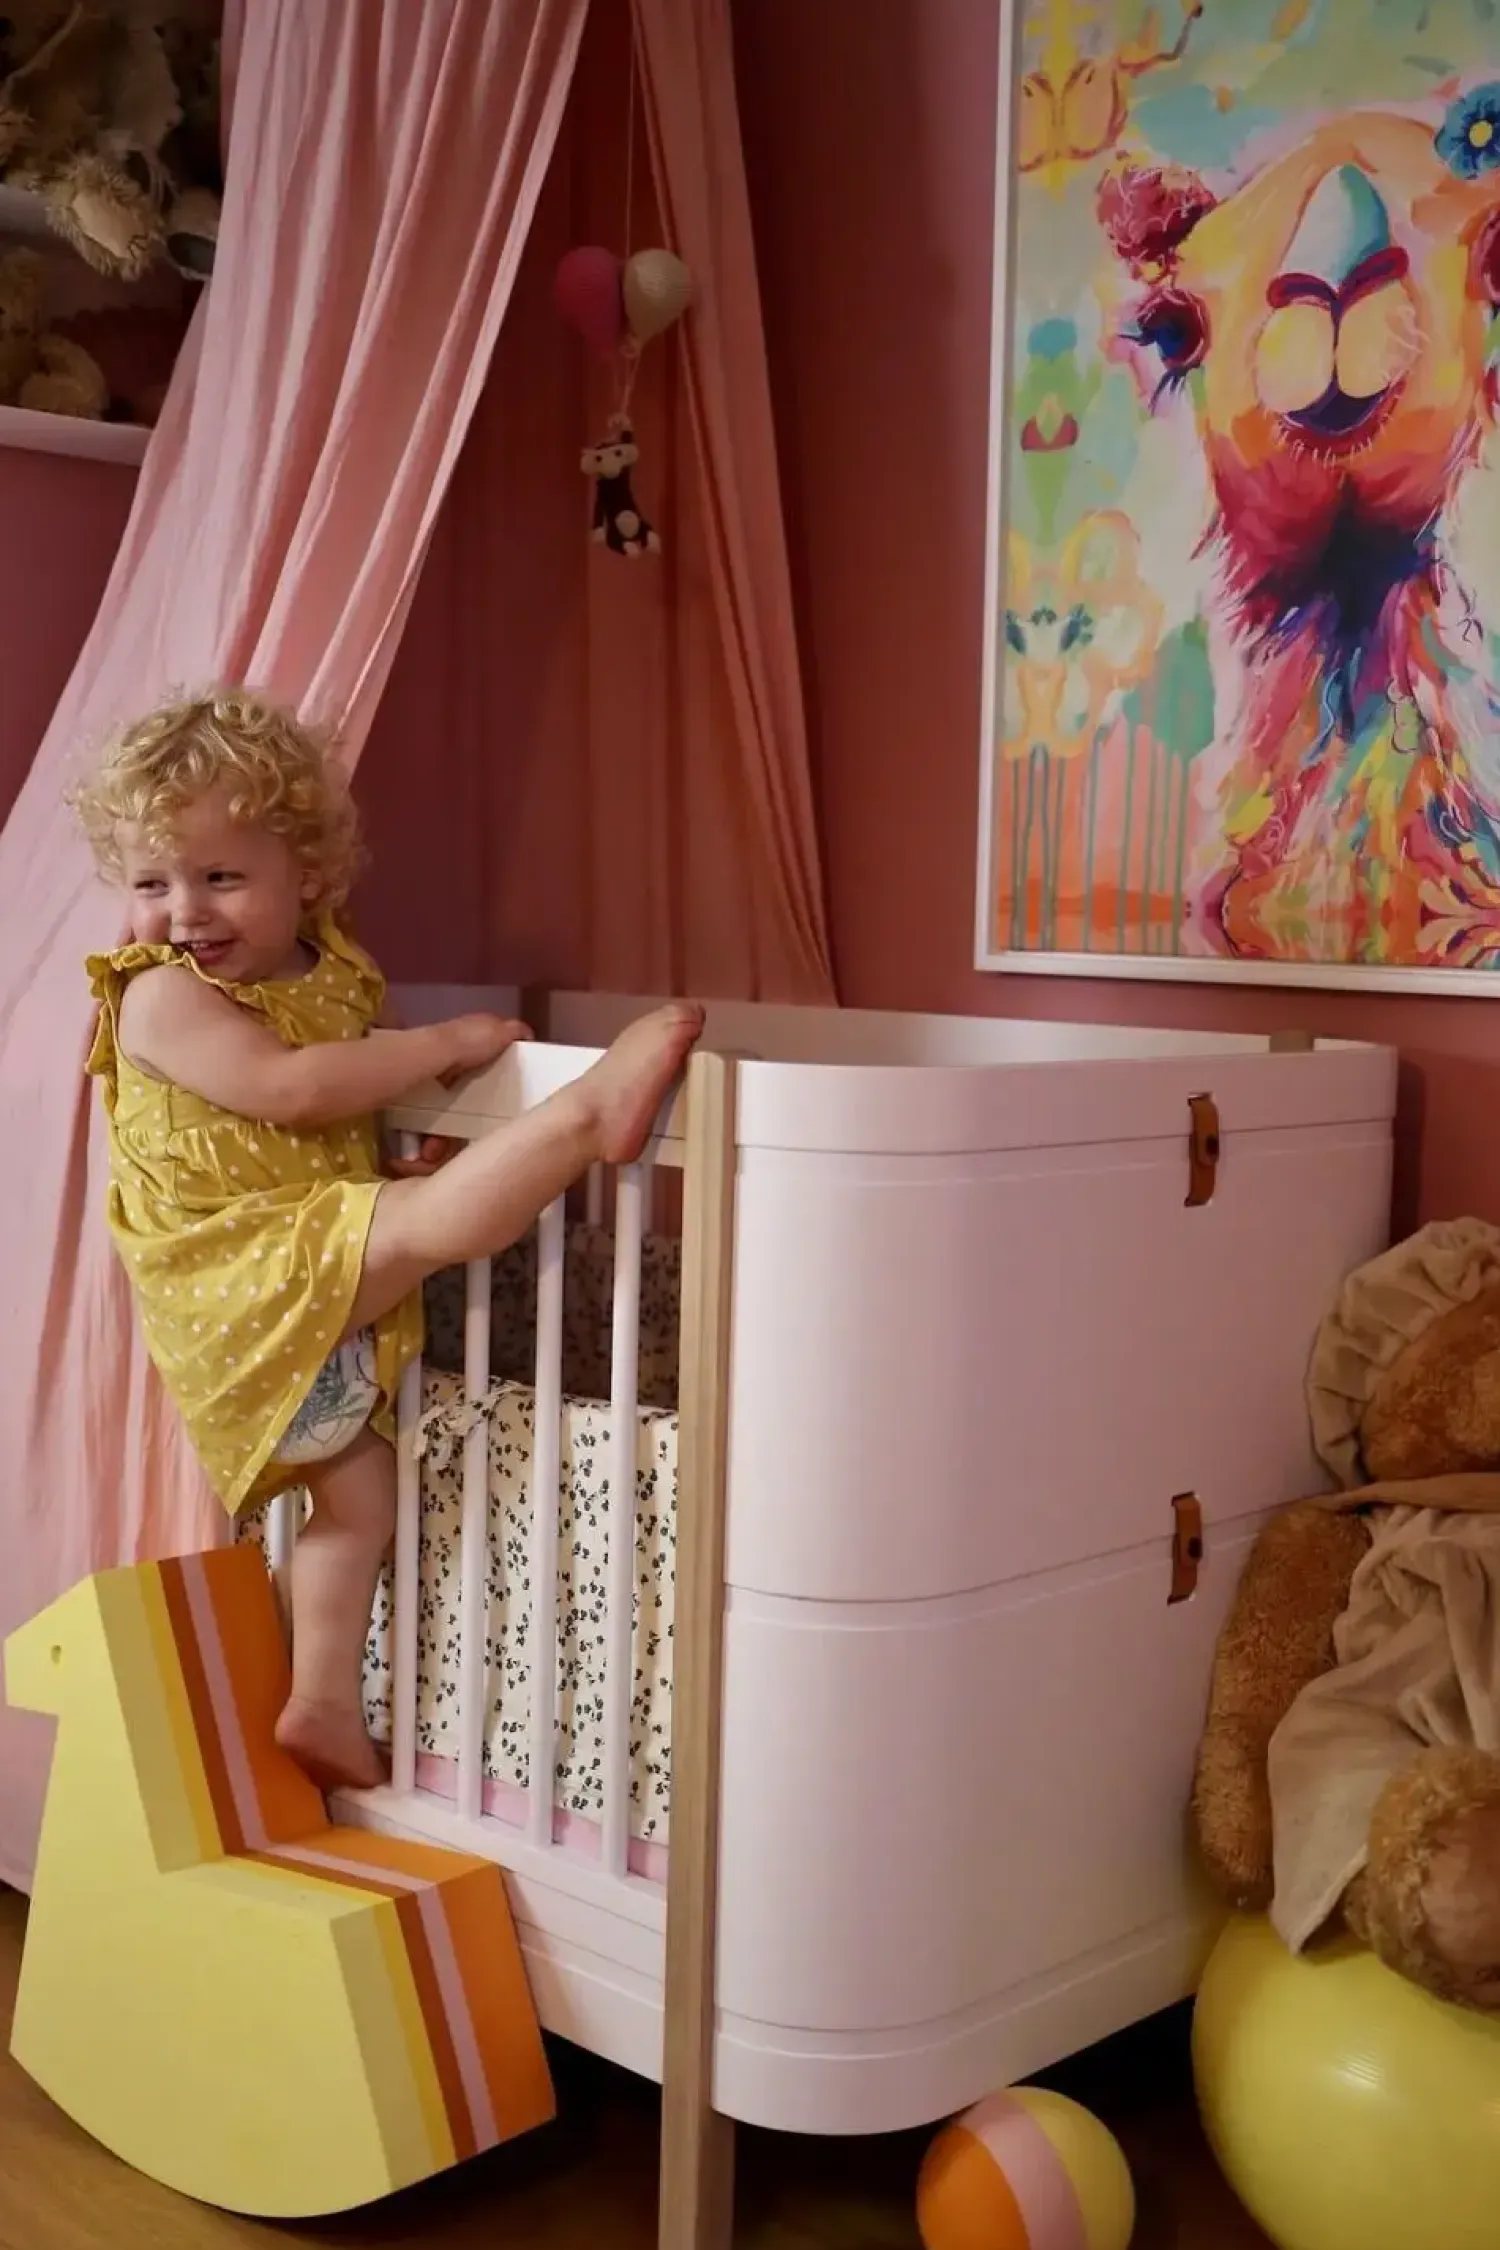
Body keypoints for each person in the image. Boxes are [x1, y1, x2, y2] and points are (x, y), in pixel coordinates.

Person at [74, 689, 703, 1792]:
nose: (184, 912)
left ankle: (319, 1700)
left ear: (307, 874)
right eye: (151, 883)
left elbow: (329, 1110)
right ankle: (586, 1115)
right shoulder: (160, 997)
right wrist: (442, 1045)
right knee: (427, 1229)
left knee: (357, 1497)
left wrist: (386, 1159)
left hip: (297, 1258)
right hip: (231, 1270)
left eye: (220, 877)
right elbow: (290, 1089)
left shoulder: (334, 975)